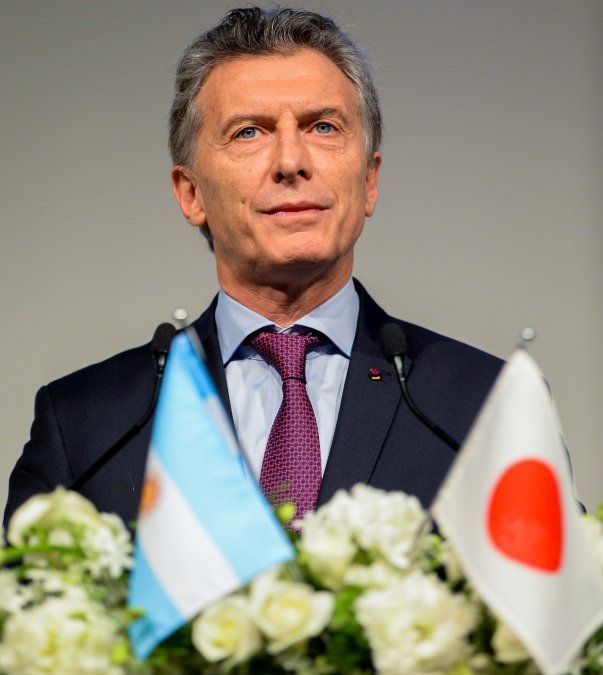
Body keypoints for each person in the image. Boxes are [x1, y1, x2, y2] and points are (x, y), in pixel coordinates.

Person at [4, 7, 502, 527]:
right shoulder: (85, 426)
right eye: (249, 132)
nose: (291, 162)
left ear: (369, 180)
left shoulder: (483, 406)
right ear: (191, 193)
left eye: (323, 127)